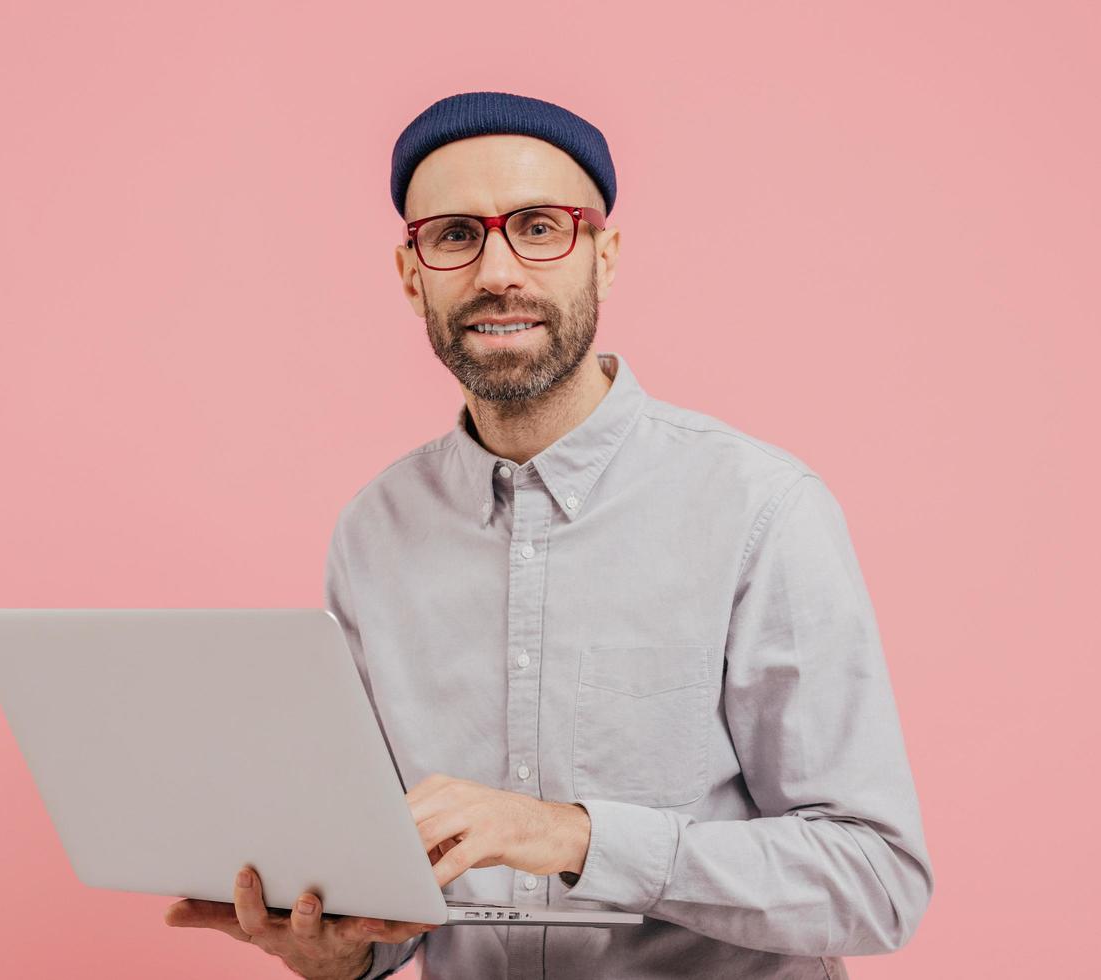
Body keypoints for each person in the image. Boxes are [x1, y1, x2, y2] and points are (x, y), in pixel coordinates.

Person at [163, 91, 933, 979]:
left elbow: (877, 881)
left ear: (604, 258)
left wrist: (572, 835)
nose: (498, 271)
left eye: (539, 227)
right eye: (455, 235)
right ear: (412, 274)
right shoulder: (374, 532)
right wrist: (339, 953)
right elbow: (398, 891)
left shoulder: (762, 507)